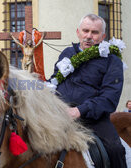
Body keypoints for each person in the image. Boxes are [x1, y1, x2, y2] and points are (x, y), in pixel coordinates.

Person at [48, 14, 126, 168]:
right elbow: (54, 81)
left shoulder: (112, 61)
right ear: (78, 32)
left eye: (95, 32)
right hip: (60, 115)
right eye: (85, 31)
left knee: (115, 149)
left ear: (103, 36)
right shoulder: (67, 53)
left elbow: (110, 97)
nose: (89, 36)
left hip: (94, 120)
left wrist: (79, 110)